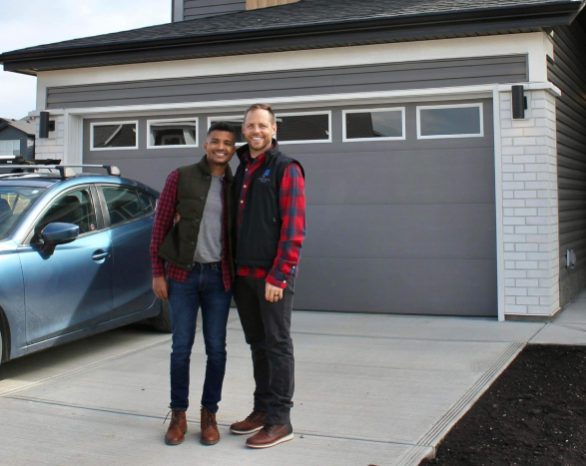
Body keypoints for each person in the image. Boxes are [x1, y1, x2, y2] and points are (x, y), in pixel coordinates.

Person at [150, 122, 237, 446]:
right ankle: (178, 414)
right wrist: (157, 272)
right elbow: (159, 226)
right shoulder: (180, 176)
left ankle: (209, 413)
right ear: (205, 144)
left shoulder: (236, 183)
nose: (221, 147)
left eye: (228, 143)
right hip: (183, 276)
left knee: (216, 349)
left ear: (233, 149)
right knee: (180, 349)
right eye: (216, 141)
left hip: (219, 277)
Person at [230, 103, 306, 449]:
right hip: (243, 275)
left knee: (277, 345)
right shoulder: (242, 167)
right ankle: (262, 409)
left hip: (272, 277)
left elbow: (293, 227)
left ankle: (280, 420)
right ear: (243, 130)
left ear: (274, 130)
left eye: (262, 125)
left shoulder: (285, 169)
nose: (255, 131)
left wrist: (280, 274)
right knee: (258, 344)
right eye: (250, 125)